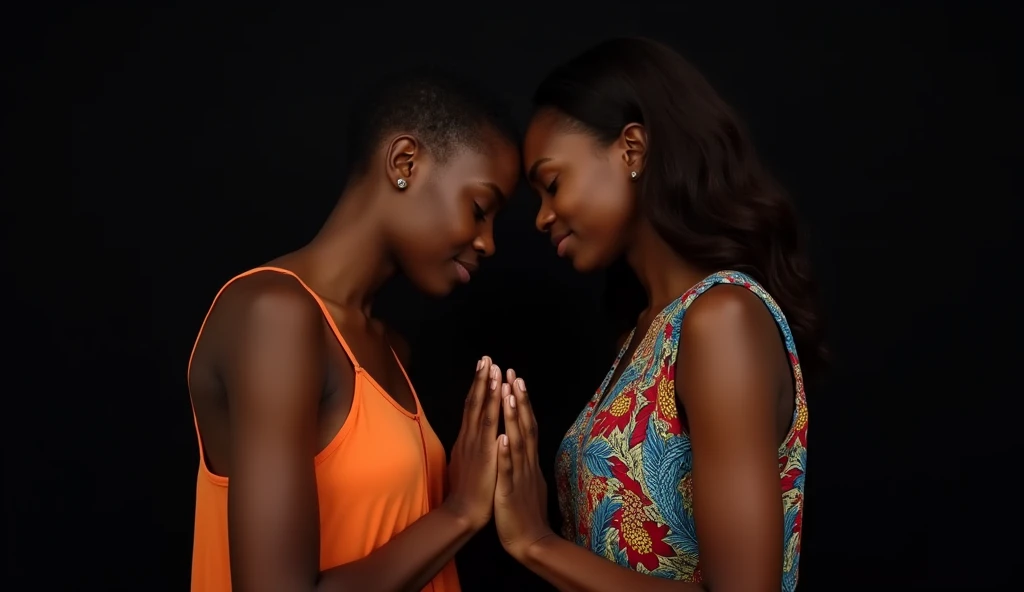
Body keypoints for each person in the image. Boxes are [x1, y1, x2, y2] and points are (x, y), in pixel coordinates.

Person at [490, 38, 826, 591]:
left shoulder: (722, 319)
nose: (543, 217)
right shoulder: (642, 334)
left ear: (632, 149)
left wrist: (537, 543)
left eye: (552, 184)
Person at [185, 69, 521, 591]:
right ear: (405, 162)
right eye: (479, 209)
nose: (488, 242)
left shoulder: (389, 348)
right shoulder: (275, 315)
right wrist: (457, 513)